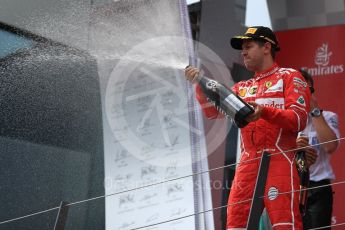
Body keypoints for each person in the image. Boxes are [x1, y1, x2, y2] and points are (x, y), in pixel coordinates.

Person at [185, 26, 311, 229]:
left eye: (248, 46)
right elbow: (212, 112)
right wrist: (199, 85)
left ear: (266, 47)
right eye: (242, 48)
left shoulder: (289, 76)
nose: (243, 52)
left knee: (285, 222)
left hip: (279, 158)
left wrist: (265, 112)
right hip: (248, 163)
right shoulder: (241, 88)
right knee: (235, 223)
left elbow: (298, 120)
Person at [296, 69, 340, 230]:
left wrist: (314, 110)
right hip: (291, 186)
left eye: (307, 90)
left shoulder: (327, 116)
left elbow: (329, 146)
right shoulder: (286, 118)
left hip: (317, 188)